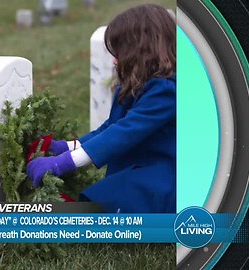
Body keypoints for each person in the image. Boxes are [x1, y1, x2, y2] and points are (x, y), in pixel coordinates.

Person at [27, 4, 176, 213]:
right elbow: (111, 126)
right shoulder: (136, 84)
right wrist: (68, 146)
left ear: (143, 50)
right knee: (101, 199)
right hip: (138, 166)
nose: (115, 60)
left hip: (163, 175)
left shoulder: (167, 91)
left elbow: (124, 132)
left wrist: (62, 163)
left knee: (103, 206)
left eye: (120, 52)